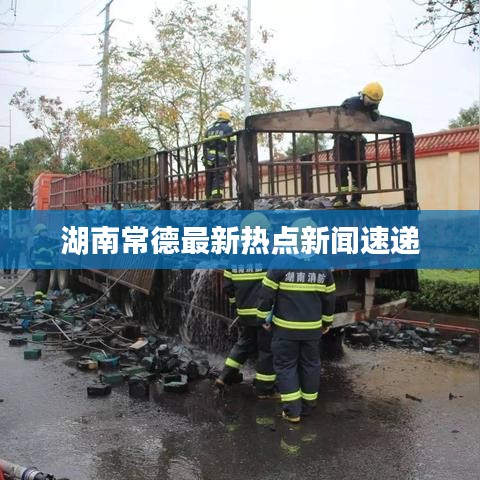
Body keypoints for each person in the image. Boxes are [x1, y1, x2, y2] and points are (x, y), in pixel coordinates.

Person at [256, 218, 336, 422]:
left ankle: (293, 411)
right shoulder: (323, 266)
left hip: (285, 331)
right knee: (311, 365)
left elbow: (266, 295)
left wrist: (262, 317)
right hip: (312, 331)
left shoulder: (280, 263)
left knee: (286, 367)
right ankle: (308, 406)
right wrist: (326, 323)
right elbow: (329, 299)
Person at [215, 213, 277, 399]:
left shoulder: (235, 255)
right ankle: (265, 389)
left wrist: (237, 306)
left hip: (244, 313)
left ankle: (224, 377)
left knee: (243, 344)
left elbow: (228, 287)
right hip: (264, 314)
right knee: (266, 350)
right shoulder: (269, 253)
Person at [333, 81, 384, 208]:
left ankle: (356, 198)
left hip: (356, 141)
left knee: (360, 169)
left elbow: (374, 119)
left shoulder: (373, 106)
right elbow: (339, 120)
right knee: (341, 168)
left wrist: (375, 113)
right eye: (369, 101)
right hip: (343, 141)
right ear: (363, 95)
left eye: (374, 102)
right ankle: (341, 198)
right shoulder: (351, 104)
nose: (370, 104)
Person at [203, 111, 235, 199]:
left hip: (208, 157)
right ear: (227, 120)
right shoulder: (227, 128)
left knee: (209, 177)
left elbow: (204, 145)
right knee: (218, 177)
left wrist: (205, 157)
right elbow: (231, 143)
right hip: (220, 157)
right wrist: (231, 155)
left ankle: (208, 198)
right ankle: (216, 197)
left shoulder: (209, 129)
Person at [32, 224, 56, 302]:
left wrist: (53, 252)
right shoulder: (38, 241)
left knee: (46, 281)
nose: (45, 232)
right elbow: (44, 252)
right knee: (41, 281)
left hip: (47, 265)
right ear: (38, 232)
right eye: (43, 231)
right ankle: (38, 298)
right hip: (41, 265)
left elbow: (52, 249)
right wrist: (52, 253)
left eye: (46, 231)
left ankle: (44, 297)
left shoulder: (46, 241)